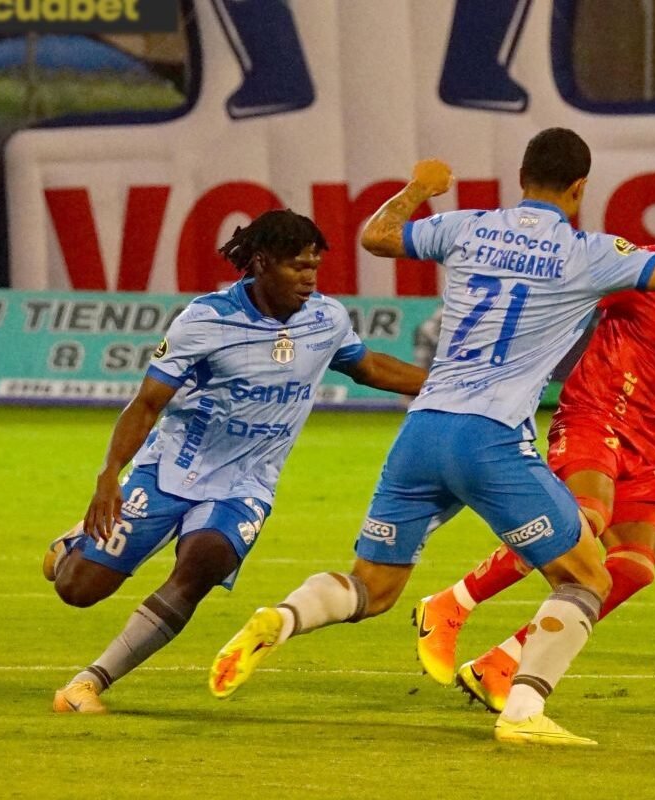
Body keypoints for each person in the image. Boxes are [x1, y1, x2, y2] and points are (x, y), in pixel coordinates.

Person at [209, 127, 655, 746]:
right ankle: (524, 714)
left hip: (422, 429)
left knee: (373, 587)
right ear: (580, 187)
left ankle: (283, 616)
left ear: (522, 177)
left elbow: (377, 235)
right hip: (491, 438)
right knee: (588, 576)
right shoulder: (588, 251)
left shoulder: (469, 226)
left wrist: (417, 189)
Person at [44, 209, 427, 713]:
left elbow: (369, 366)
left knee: (202, 566)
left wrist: (451, 386)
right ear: (262, 263)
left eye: (315, 266)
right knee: (78, 589)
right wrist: (108, 477)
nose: (310, 278)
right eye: (297, 267)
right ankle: (74, 542)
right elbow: (147, 405)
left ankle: (89, 683)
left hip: (247, 485)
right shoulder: (205, 321)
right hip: (169, 473)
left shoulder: (326, 319)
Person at [411, 193, 655, 713]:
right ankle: (453, 605)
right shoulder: (649, 269)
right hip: (595, 417)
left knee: (633, 566)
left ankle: (505, 660)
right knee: (583, 519)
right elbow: (564, 296)